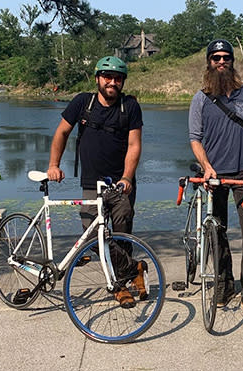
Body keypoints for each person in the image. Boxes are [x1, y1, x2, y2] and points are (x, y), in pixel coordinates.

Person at [45, 55, 147, 306]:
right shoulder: (83, 102)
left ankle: (119, 285)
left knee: (122, 236)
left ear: (123, 82)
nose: (112, 82)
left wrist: (127, 177)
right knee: (92, 238)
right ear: (98, 78)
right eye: (107, 77)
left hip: (120, 184)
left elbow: (134, 145)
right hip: (91, 183)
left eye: (117, 78)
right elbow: (62, 132)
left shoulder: (130, 106)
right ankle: (135, 269)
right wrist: (54, 165)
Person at [188, 39, 243, 318]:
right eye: (216, 58)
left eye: (226, 57)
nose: (221, 62)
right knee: (217, 232)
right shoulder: (200, 98)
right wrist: (207, 166)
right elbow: (195, 139)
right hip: (214, 176)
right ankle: (223, 284)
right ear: (209, 62)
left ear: (232, 61)